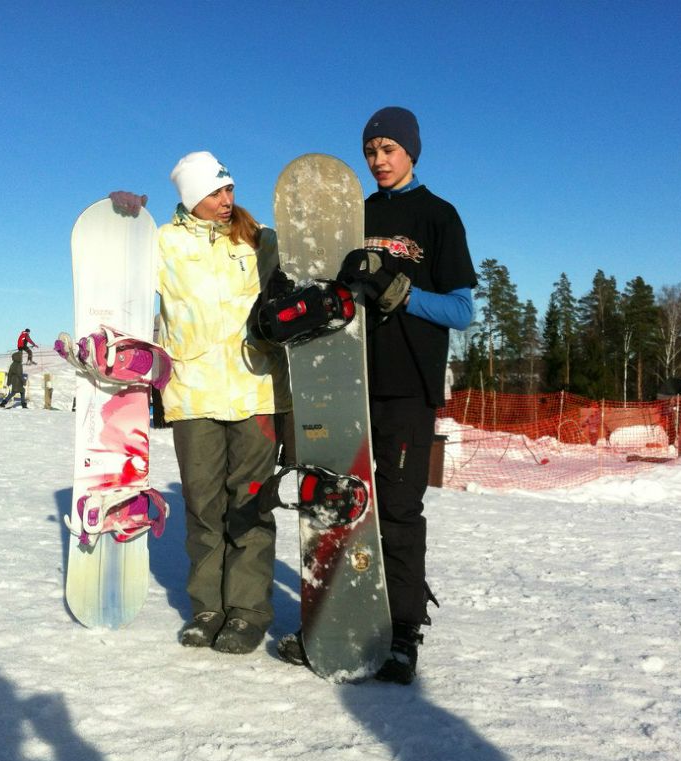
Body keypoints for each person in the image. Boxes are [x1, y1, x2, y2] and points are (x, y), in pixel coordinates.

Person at [279, 107, 477, 684]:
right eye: (370, 151)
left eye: (388, 149)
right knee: (333, 503)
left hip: (406, 388)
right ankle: (330, 616)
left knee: (395, 510)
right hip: (342, 383)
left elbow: (462, 311)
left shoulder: (439, 216)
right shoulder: (352, 214)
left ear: (411, 150)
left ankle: (402, 634)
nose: (378, 160)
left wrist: (400, 292)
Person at [110, 150, 292, 655]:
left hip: (257, 390)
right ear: (191, 199)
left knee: (250, 505)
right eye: (215, 192)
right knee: (204, 506)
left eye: (229, 189)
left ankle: (248, 611)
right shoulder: (162, 244)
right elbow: (119, 270)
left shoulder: (261, 241)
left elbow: (305, 272)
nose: (227, 200)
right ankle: (208, 608)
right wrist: (124, 222)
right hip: (191, 394)